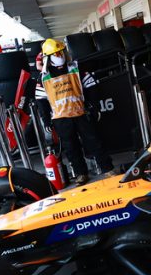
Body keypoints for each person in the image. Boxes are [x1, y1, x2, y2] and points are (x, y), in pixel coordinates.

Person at [38, 38, 113, 186]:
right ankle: (80, 173)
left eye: (61, 52)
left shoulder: (77, 68)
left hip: (81, 113)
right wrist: (46, 120)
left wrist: (94, 106)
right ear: (48, 57)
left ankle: (107, 168)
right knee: (71, 148)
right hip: (61, 118)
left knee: (94, 142)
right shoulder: (43, 77)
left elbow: (91, 86)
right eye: (56, 53)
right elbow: (41, 101)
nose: (60, 55)